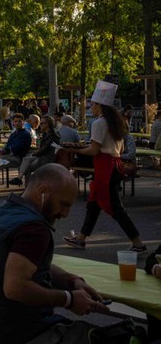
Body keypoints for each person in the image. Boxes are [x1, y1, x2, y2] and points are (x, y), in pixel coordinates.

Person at [0, 164, 112, 344]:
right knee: (110, 341)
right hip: (13, 336)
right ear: (43, 192)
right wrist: (69, 300)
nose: (66, 213)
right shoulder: (33, 228)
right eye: (64, 204)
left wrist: (71, 281)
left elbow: (26, 263)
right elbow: (15, 288)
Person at [63, 81, 146, 252]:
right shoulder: (117, 122)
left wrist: (73, 148)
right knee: (93, 204)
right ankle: (81, 238)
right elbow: (120, 149)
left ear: (99, 105)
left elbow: (94, 150)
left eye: (92, 104)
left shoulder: (98, 123)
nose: (90, 107)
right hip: (114, 165)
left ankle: (138, 243)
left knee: (115, 208)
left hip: (104, 169)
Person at [0, 113, 30, 196]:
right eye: (16, 121)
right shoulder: (13, 134)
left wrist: (1, 149)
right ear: (13, 123)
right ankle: (0, 160)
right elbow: (8, 147)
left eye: (20, 121)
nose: (17, 123)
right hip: (7, 156)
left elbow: (16, 147)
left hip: (17, 158)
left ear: (23, 123)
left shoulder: (26, 134)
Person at [13, 115, 60, 186]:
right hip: (42, 156)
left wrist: (34, 153)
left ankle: (27, 187)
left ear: (47, 124)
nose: (39, 125)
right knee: (26, 159)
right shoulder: (45, 133)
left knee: (26, 167)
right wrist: (34, 152)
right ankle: (21, 180)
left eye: (41, 123)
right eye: (39, 123)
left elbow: (44, 149)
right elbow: (42, 148)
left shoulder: (51, 135)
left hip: (47, 159)